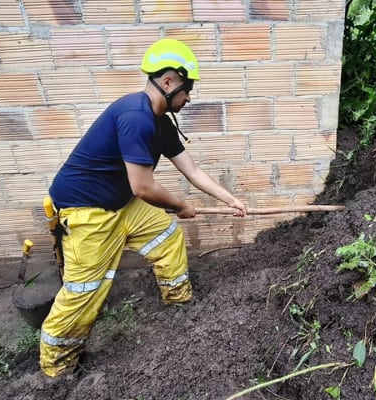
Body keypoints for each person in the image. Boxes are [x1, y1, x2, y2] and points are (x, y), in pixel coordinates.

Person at [38, 38, 248, 378]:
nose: (189, 97)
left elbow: (191, 169)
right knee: (84, 291)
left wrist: (229, 199)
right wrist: (182, 205)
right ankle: (56, 368)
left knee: (165, 236)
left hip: (120, 202)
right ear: (168, 82)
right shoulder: (135, 117)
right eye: (187, 89)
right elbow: (144, 186)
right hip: (87, 210)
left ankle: (179, 303)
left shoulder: (160, 122)